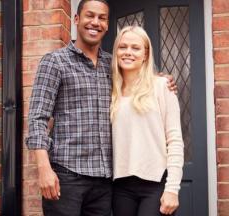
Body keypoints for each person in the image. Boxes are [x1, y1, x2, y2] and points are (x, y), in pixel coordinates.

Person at [26, 1, 176, 215]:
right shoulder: (54, 62)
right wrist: (43, 169)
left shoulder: (112, 65)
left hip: (104, 183)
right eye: (89, 16)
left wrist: (160, 80)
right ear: (76, 20)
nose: (95, 22)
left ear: (107, 25)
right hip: (67, 177)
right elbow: (37, 118)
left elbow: (138, 83)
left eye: (102, 18)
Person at [110, 26, 184, 216]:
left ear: (146, 54)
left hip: (156, 185)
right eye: (122, 47)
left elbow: (174, 140)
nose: (128, 52)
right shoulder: (110, 91)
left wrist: (172, 189)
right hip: (120, 187)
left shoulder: (162, 87)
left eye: (135, 48)